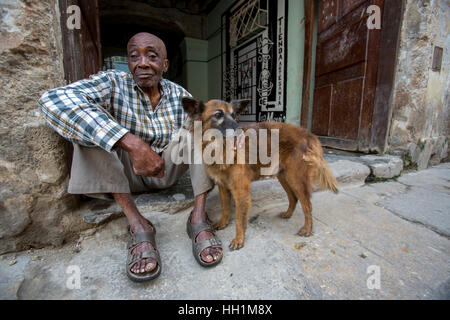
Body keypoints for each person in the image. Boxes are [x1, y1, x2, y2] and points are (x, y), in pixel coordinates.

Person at [38, 32, 223, 282]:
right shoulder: (113, 82)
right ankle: (138, 224)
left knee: (202, 122)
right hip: (125, 175)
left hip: (165, 170)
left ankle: (198, 217)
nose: (142, 63)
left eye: (152, 56)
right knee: (89, 131)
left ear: (165, 65)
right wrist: (130, 142)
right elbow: (52, 100)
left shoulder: (179, 93)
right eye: (134, 56)